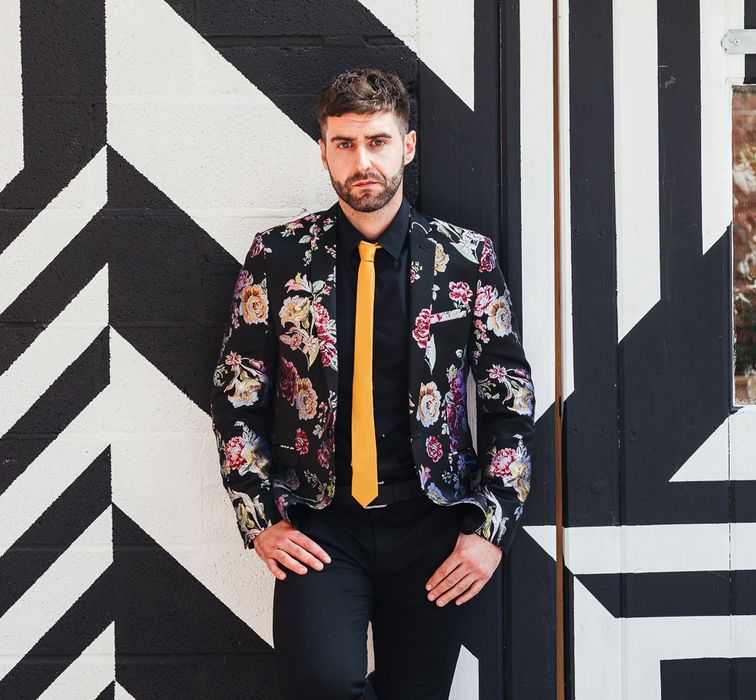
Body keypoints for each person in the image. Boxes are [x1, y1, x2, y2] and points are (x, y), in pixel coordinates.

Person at [209, 67, 536, 700]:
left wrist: (490, 530)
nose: (364, 161)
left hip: (434, 529)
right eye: (345, 143)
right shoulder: (278, 256)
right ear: (324, 151)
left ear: (407, 147)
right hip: (320, 525)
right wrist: (258, 518)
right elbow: (237, 396)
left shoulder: (465, 257)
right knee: (321, 685)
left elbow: (510, 400)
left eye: (379, 141)